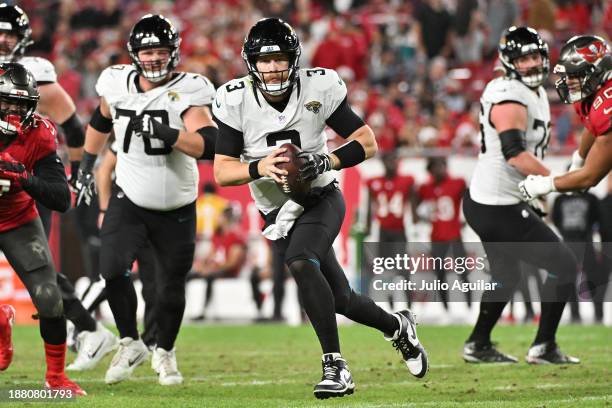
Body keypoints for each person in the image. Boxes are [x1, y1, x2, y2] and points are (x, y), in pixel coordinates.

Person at [213, 18, 428, 399]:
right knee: (341, 299)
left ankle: (335, 366)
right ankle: (397, 325)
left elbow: (368, 141)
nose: (273, 67)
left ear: (294, 59)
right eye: (265, 61)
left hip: (319, 197)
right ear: (251, 64)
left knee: (300, 260)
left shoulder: (319, 86)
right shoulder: (234, 99)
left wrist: (327, 161)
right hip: (277, 212)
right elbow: (222, 171)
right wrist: (260, 166)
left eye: (280, 58)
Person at [74, 14, 217, 386]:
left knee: (170, 289)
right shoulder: (116, 81)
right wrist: (87, 165)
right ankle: (129, 341)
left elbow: (208, 145)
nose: (153, 58)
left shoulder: (190, 89)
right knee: (112, 268)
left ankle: (165, 352)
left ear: (174, 52)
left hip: (176, 206)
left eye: (160, 50)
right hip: (130, 197)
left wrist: (168, 133)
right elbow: (100, 121)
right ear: (134, 53)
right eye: (147, 51)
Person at [0, 3, 118, 367]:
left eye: (10, 33)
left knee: (42, 270)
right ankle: (88, 330)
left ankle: (87, 330)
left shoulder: (33, 75)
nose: (3, 39)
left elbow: (73, 128)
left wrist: (80, 171)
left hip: (26, 183)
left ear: (23, 39)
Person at [463, 26, 579, 364]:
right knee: (565, 265)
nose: (530, 63)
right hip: (498, 205)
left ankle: (478, 344)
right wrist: (559, 180)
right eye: (523, 58)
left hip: (496, 200)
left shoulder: (533, 91)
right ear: (509, 62)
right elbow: (514, 154)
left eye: (535, 56)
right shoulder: (509, 96)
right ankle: (544, 346)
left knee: (506, 274)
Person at [0, 62, 84, 394]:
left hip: (18, 219)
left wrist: (23, 176)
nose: (13, 111)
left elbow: (62, 198)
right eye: (7, 102)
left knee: (49, 298)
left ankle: (56, 377)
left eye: (21, 104)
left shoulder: (39, 134)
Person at [518, 35, 611, 201]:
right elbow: (592, 126)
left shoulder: (607, 108)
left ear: (598, 71)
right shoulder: (594, 95)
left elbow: (590, 178)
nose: (569, 82)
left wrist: (544, 184)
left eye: (575, 75)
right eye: (567, 75)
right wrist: (579, 159)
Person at [416, 156, 471, 309]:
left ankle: (470, 306)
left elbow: (468, 198)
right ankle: (446, 308)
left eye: (441, 165)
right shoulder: (425, 188)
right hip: (436, 236)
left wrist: (466, 217)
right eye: (435, 166)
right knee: (440, 274)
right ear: (430, 170)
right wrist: (422, 216)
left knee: (463, 272)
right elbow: (417, 204)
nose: (439, 169)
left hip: (454, 235)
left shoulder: (457, 182)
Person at [365, 151, 415, 306]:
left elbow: (413, 203)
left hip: (400, 230)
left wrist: (415, 222)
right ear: (383, 163)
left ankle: (409, 304)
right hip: (383, 231)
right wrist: (367, 225)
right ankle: (390, 303)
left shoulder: (407, 180)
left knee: (403, 268)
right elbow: (370, 206)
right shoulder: (374, 182)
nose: (391, 164)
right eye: (388, 160)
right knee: (386, 269)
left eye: (394, 160)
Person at [552, 190, 602, 323]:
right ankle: (575, 315)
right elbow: (556, 218)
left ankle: (599, 314)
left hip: (587, 243)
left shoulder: (591, 198)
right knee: (568, 280)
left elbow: (598, 219)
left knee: (593, 279)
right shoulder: (560, 199)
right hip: (568, 243)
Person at [191, 204, 247, 319]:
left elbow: (232, 263)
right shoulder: (217, 236)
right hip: (215, 269)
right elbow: (209, 256)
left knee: (210, 276)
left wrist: (212, 269)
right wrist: (202, 266)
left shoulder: (235, 238)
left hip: (226, 271)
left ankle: (204, 311)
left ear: (226, 218)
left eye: (220, 216)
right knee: (188, 275)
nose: (217, 219)